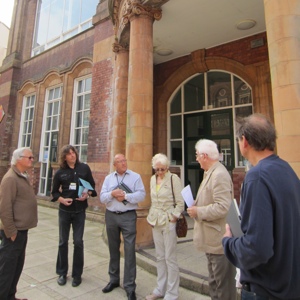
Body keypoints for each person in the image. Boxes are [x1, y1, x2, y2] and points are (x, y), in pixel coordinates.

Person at [222, 114, 300, 300]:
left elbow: (256, 249)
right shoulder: (287, 170)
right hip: (289, 285)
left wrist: (228, 242)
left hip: (266, 289)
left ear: (245, 141)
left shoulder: (256, 177)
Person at [187, 139, 236, 300]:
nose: (196, 159)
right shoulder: (211, 172)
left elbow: (223, 207)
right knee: (214, 283)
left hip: (219, 241)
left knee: (223, 287)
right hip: (211, 240)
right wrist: (197, 204)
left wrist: (198, 211)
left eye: (197, 155)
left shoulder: (219, 174)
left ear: (204, 155)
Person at [100, 154, 146, 300]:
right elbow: (102, 197)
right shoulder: (109, 179)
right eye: (119, 161)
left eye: (124, 160)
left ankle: (130, 286)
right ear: (115, 165)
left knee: (129, 251)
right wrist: (112, 194)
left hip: (128, 216)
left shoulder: (135, 177)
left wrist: (126, 196)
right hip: (111, 216)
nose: (123, 163)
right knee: (113, 249)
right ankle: (113, 280)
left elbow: (141, 195)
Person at [51, 145, 97, 287]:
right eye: (69, 154)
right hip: (64, 211)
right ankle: (62, 273)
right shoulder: (60, 173)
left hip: (79, 211)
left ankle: (77, 275)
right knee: (63, 242)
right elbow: (54, 193)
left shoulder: (84, 168)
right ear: (65, 157)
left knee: (78, 242)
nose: (72, 155)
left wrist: (87, 194)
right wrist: (62, 200)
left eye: (73, 153)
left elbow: (92, 188)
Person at [0, 147, 38, 300]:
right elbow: (4, 207)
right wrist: (11, 232)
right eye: (29, 157)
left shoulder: (22, 176)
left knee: (16, 267)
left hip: (22, 230)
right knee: (6, 270)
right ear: (18, 159)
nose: (32, 160)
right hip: (14, 233)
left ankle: (11, 296)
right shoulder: (10, 179)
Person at [146, 153, 184, 300]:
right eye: (157, 169)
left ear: (167, 168)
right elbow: (153, 200)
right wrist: (150, 216)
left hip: (168, 221)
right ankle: (160, 289)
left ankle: (172, 293)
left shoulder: (174, 179)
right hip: (155, 221)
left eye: (162, 169)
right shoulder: (152, 179)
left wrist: (174, 217)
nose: (160, 172)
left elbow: (180, 203)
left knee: (170, 258)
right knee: (160, 257)